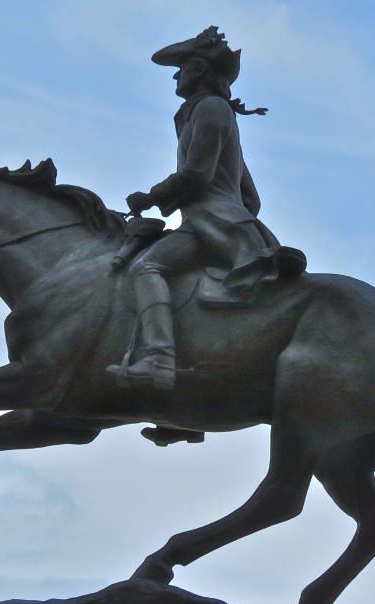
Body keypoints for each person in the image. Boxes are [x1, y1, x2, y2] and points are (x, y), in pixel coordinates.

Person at [109, 26, 304, 391]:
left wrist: (150, 198)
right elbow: (251, 198)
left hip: (211, 225)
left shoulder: (210, 109)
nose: (175, 75)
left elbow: (197, 174)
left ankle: (159, 360)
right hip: (220, 224)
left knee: (146, 267)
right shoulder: (210, 112)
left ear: (198, 70)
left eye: (181, 67)